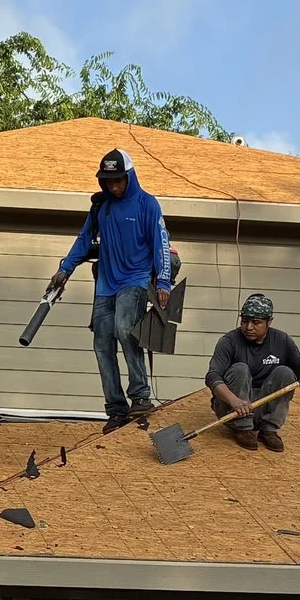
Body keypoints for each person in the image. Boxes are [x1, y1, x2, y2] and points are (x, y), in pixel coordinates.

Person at [51, 149, 173, 433]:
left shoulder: (147, 204)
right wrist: (66, 268)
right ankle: (116, 409)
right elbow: (84, 240)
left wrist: (163, 281)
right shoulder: (101, 208)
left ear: (129, 177)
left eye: (118, 180)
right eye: (108, 182)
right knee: (102, 343)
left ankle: (140, 395)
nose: (114, 187)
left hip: (136, 278)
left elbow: (161, 243)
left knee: (124, 327)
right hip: (106, 283)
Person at [205, 292, 300, 452]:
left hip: (262, 407)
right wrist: (234, 401)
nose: (248, 327)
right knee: (240, 368)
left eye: (256, 322)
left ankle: (268, 430)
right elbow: (212, 376)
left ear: (269, 322)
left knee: (285, 372)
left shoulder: (282, 341)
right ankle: (243, 429)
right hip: (233, 410)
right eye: (245, 321)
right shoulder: (229, 342)